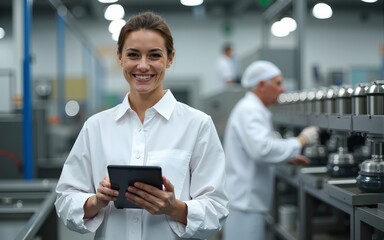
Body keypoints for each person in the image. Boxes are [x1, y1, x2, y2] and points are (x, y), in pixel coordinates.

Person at [55, 11, 229, 240]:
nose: (143, 66)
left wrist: (174, 207)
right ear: (120, 58)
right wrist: (96, 201)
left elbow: (217, 209)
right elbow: (65, 199)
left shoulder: (197, 125)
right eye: (133, 55)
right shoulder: (96, 127)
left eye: (155, 55)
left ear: (170, 58)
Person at [222, 60, 319, 240]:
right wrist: (301, 140)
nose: (282, 89)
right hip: (245, 202)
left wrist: (286, 156)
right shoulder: (250, 110)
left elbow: (259, 145)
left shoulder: (253, 108)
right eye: (278, 83)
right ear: (261, 85)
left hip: (246, 200)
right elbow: (261, 149)